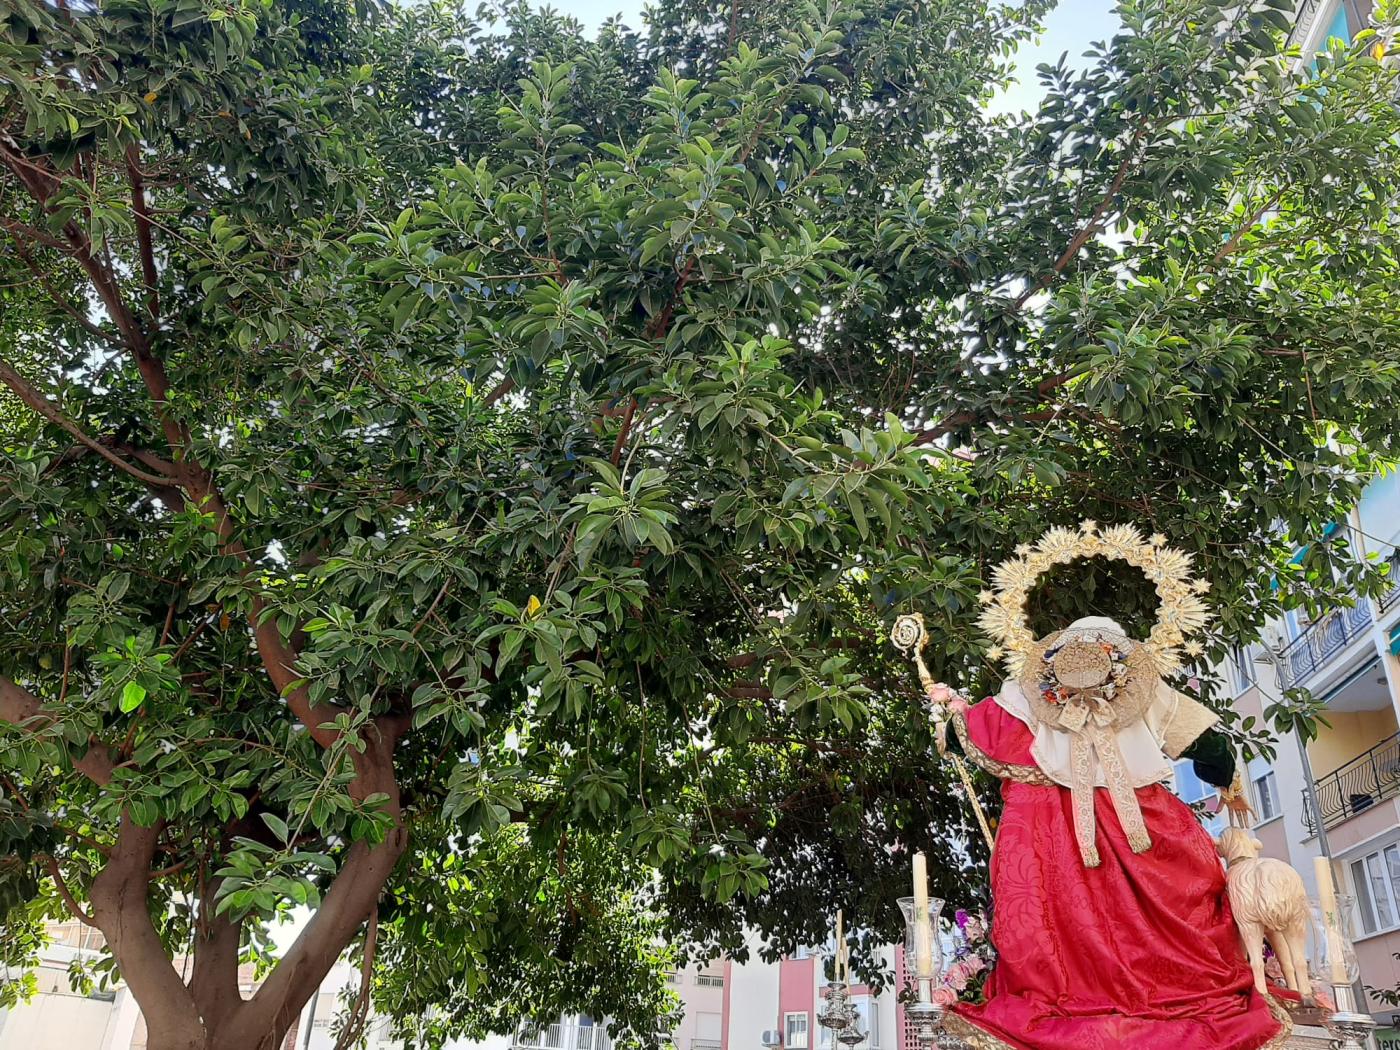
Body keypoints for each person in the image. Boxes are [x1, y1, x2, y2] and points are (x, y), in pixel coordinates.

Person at [928, 616, 1288, 1050]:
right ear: (1120, 655)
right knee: (1178, 905)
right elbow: (1210, 745)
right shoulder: (1147, 690)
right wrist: (1226, 783)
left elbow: (965, 729)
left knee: (1056, 923)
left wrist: (948, 707)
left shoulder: (1023, 698)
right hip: (1137, 822)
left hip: (1048, 841)